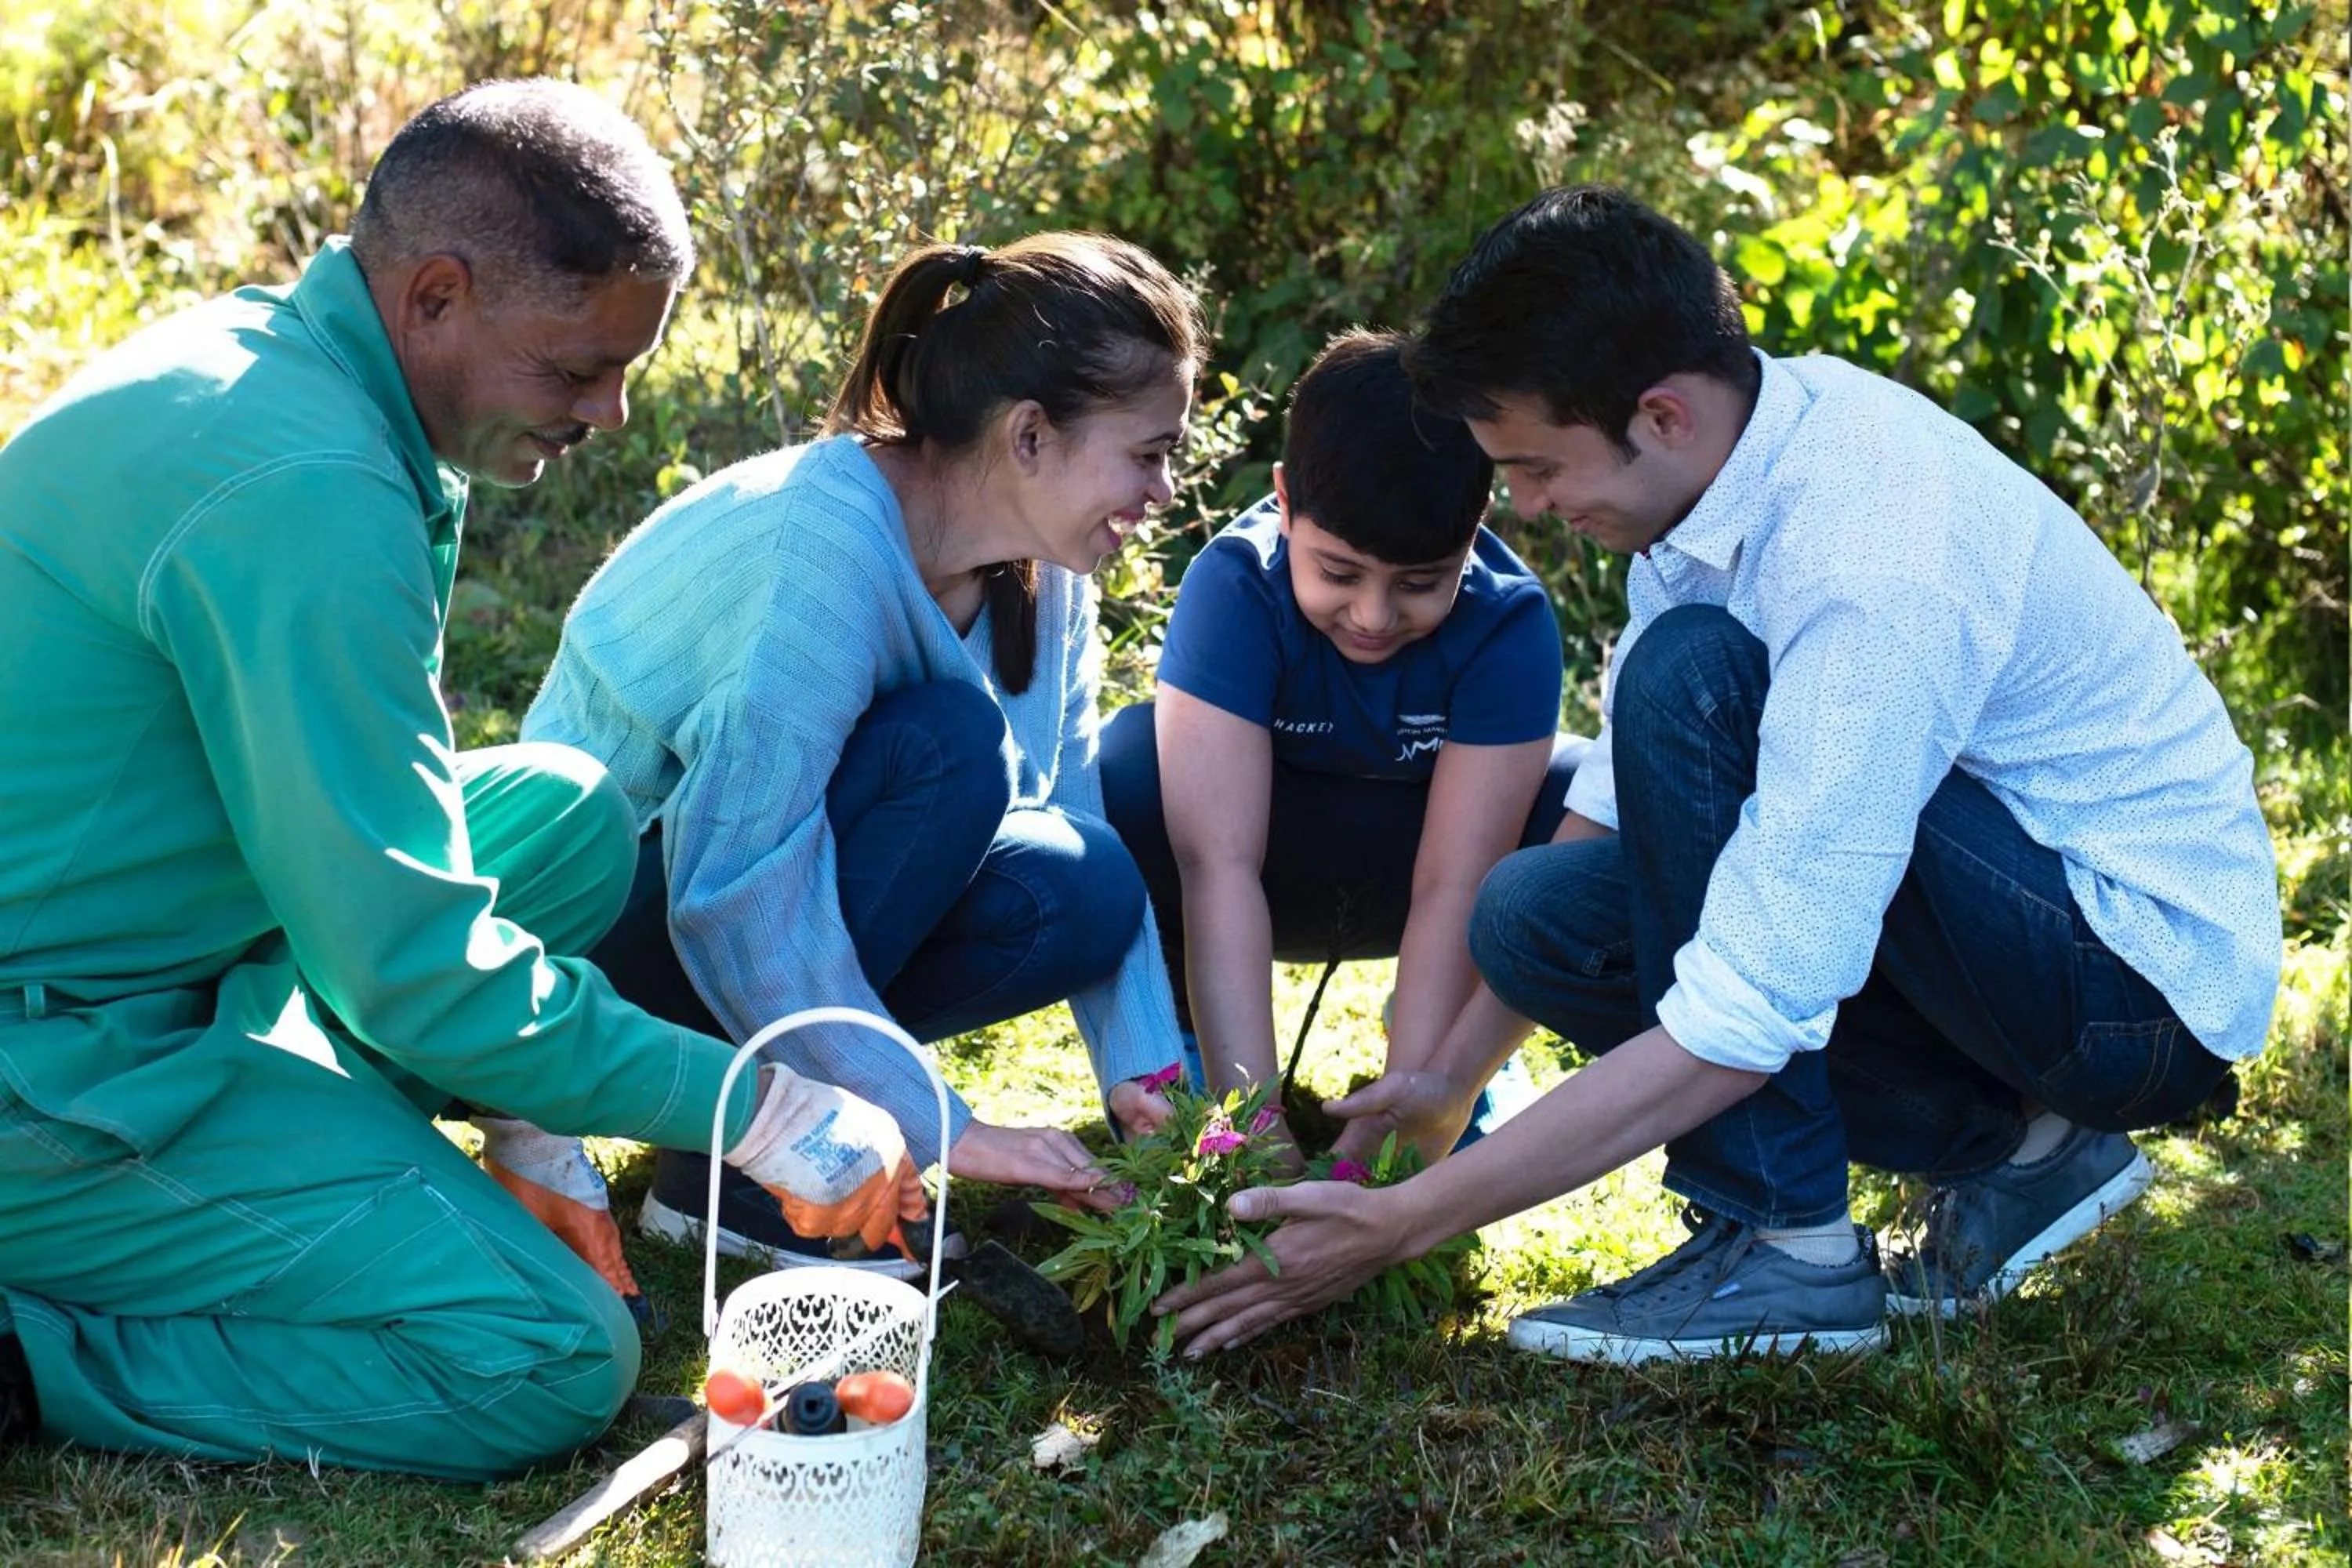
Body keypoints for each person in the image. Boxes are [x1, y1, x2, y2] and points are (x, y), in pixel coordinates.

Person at [1152, 185, 2281, 1363]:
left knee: (1694, 680)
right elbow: (1617, 822)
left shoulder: (1870, 554)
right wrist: (1444, 1086)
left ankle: (1782, 1248)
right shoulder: (1726, 473)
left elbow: (1752, 1001)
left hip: (2132, 983)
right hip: (2014, 938)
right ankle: (2025, 1153)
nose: (1527, 510)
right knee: (1540, 919)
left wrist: (1399, 1224)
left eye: (1537, 469)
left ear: (1663, 414)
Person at [0, 79, 924, 1480]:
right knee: (550, 1354)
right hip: (53, 1080)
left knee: (561, 814)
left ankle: (328, 1120)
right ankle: (34, 1347)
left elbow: (402, 827)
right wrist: (770, 1114)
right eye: (572, 371)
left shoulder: (287, 368)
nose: (607, 412)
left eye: (623, 371)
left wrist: (527, 1119)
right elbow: (413, 970)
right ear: (436, 294)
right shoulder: (302, 493)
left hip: (161, 941)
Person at [523, 231, 1203, 1270]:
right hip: (591, 940)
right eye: (1149, 453)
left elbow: (1075, 812)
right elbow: (732, 887)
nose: (1163, 490)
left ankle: (778, 1135)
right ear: (1030, 437)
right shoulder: (822, 547)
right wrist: (951, 1129)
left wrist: (1157, 1096)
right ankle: (753, 1173)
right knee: (949, 750)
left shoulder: (1044, 571)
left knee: (1085, 877)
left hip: (742, 914)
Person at [1098, 329, 1574, 1165]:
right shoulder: (1237, 585)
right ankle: (1201, 1063)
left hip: (1416, 878)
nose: (1374, 615)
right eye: (1340, 572)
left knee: (1573, 792)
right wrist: (1255, 1117)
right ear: (1284, 501)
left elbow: (1454, 882)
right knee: (1129, 765)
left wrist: (1388, 1133)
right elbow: (1219, 863)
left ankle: (1446, 1071)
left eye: (1422, 582)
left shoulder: (1509, 621)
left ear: (1477, 524)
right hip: (1266, 868)